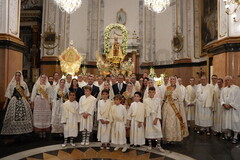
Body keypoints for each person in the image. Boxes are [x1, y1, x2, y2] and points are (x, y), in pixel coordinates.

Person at [162, 76, 188, 142]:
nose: (172, 80)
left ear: (175, 81)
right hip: (167, 107)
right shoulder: (167, 88)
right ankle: (168, 138)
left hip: (175, 107)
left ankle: (174, 138)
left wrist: (181, 109)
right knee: (168, 123)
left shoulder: (178, 89)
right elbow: (164, 98)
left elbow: (180, 100)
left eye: (173, 79)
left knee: (174, 123)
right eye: (171, 79)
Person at [31, 74, 52, 138]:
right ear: (40, 78)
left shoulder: (48, 86)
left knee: (45, 116)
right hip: (38, 102)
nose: (43, 79)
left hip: (46, 102)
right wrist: (32, 102)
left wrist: (51, 103)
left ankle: (44, 131)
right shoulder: (36, 85)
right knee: (39, 116)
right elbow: (33, 93)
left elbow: (50, 95)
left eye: (44, 77)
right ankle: (39, 131)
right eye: (42, 77)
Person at [143, 87, 164, 152]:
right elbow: (144, 110)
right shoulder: (145, 100)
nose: (151, 93)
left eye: (153, 92)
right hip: (149, 117)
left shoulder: (158, 100)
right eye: (150, 92)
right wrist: (145, 119)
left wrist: (156, 118)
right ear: (148, 93)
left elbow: (159, 110)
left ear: (155, 92)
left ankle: (158, 145)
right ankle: (150, 145)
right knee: (149, 130)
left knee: (158, 130)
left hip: (155, 117)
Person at [221, 76, 240, 144]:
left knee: (235, 123)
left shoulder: (236, 88)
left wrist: (230, 105)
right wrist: (223, 104)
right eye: (225, 80)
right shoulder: (224, 89)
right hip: (226, 109)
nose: (227, 81)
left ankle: (235, 136)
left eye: (228, 80)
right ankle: (229, 134)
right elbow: (221, 98)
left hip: (233, 109)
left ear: (231, 80)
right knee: (227, 122)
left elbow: (237, 99)